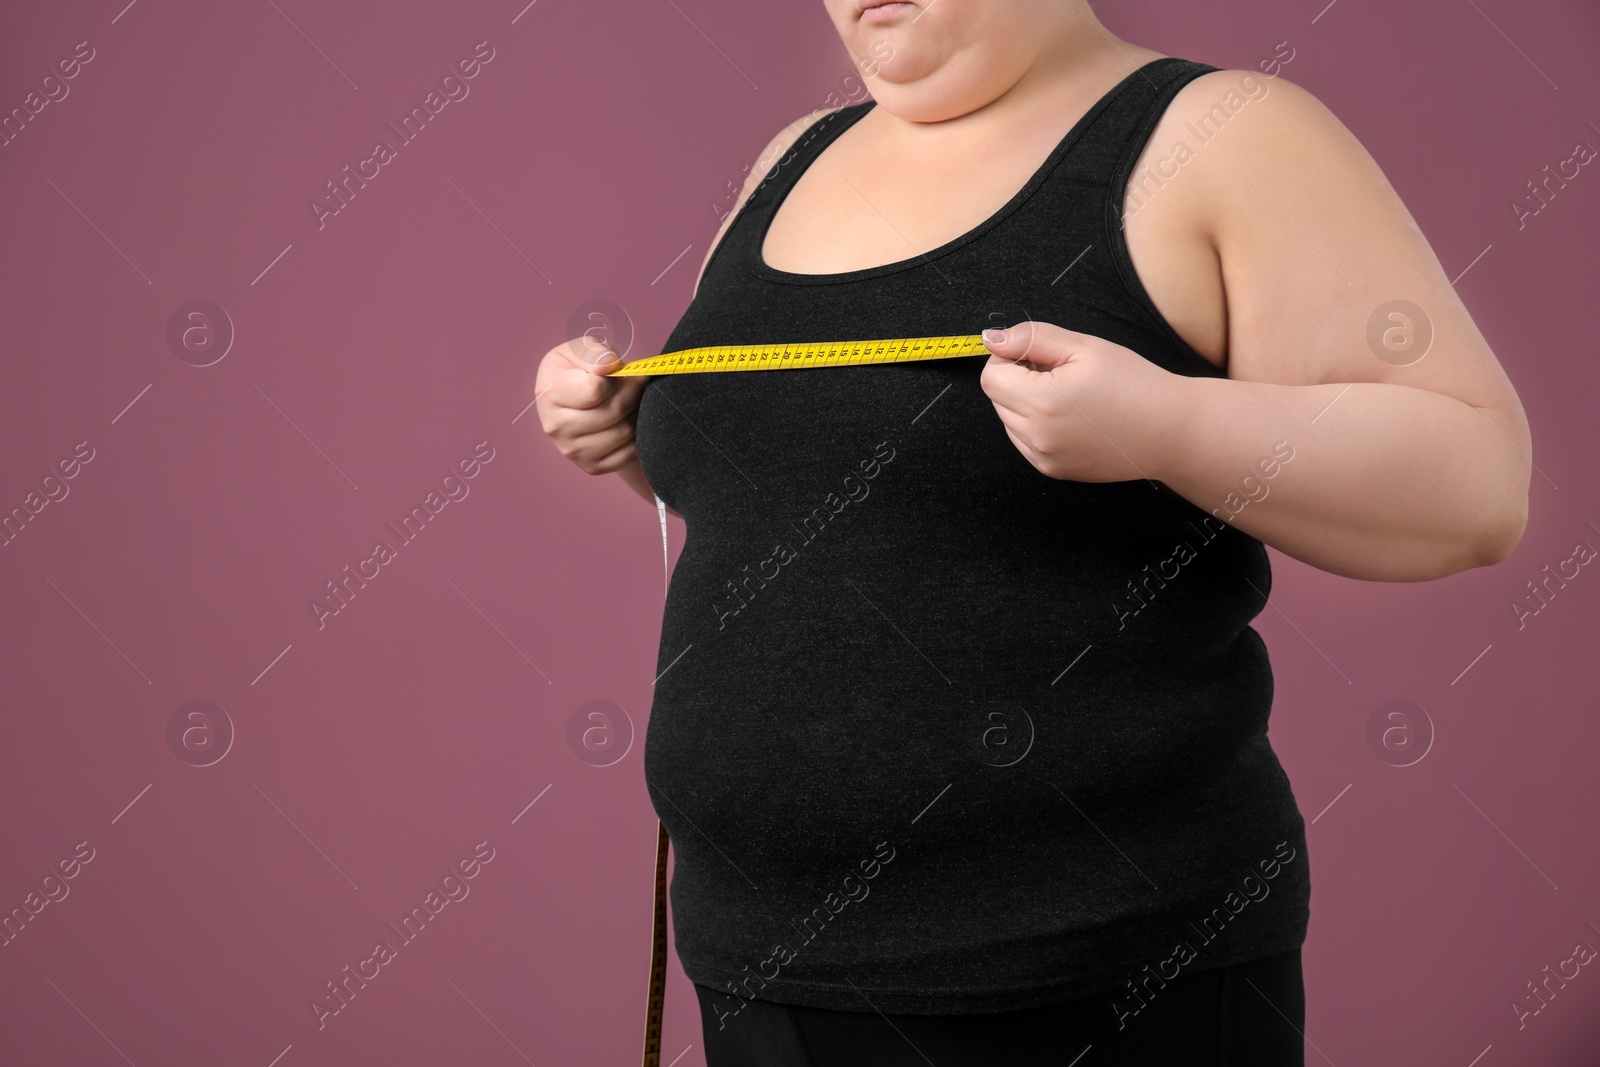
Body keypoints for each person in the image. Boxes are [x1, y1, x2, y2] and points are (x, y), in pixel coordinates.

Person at [537, 1, 1531, 1063]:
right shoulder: (795, 159)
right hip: (764, 964)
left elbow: (1475, 485)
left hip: (1101, 972)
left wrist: (1171, 423)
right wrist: (633, 435)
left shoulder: (1220, 135)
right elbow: (847, 503)